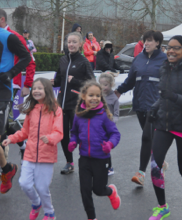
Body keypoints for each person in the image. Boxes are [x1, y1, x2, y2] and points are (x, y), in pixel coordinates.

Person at [147, 35, 182, 220]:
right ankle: (162, 206)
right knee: (155, 165)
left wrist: (174, 97)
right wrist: (155, 108)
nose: (170, 51)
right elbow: (163, 96)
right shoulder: (165, 69)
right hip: (164, 123)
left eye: (175, 48)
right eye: (168, 47)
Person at [2, 78, 63, 220]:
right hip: (29, 154)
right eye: (34, 88)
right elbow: (24, 132)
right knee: (24, 183)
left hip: (46, 155)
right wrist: (11, 138)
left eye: (40, 88)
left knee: (42, 188)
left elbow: (59, 132)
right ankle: (36, 203)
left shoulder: (56, 110)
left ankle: (49, 213)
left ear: (47, 90)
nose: (36, 91)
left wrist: (51, 138)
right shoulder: (31, 110)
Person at [115, 30, 167, 186]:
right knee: (150, 138)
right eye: (145, 40)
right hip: (139, 104)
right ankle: (161, 162)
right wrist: (118, 92)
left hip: (156, 106)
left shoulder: (165, 60)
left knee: (146, 137)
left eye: (150, 40)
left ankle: (141, 173)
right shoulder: (138, 59)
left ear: (157, 42)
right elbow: (131, 80)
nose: (147, 43)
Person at [68, 80, 121, 220]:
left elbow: (115, 134)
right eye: (91, 95)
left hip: (101, 158)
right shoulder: (78, 115)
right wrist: (73, 141)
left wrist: (110, 144)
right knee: (85, 190)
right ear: (84, 96)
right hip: (84, 158)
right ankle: (91, 217)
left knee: (98, 190)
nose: (95, 98)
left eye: (98, 96)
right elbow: (74, 132)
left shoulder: (104, 115)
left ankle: (110, 191)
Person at [0, 2, 31, 192]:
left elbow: (27, 58)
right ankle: (7, 168)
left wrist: (11, 73)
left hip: (0, 93)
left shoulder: (7, 36)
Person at [51, 32, 94, 174]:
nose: (71, 44)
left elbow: (92, 83)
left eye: (74, 42)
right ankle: (69, 162)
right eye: (69, 42)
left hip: (77, 105)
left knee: (80, 135)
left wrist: (74, 81)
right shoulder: (63, 60)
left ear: (80, 44)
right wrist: (53, 82)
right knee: (63, 135)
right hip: (62, 104)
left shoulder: (84, 61)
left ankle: (86, 161)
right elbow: (59, 78)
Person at [0, 8, 36, 164]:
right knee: (3, 123)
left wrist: (27, 84)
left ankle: (2, 163)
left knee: (1, 123)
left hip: (10, 85)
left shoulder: (15, 37)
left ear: (1, 20)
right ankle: (21, 144)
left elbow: (30, 61)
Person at [99, 72, 119, 175]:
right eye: (101, 84)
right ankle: (99, 165)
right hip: (98, 125)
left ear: (111, 85)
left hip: (108, 127)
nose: (103, 87)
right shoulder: (98, 96)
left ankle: (109, 167)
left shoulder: (114, 98)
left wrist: (112, 123)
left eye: (105, 85)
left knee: (106, 146)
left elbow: (116, 114)